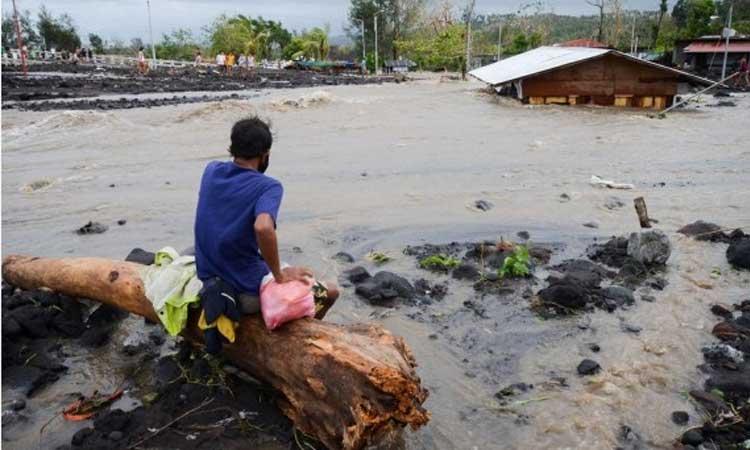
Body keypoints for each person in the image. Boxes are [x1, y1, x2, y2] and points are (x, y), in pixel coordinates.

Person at [194, 117, 339, 320]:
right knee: (331, 292)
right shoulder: (268, 187)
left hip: (209, 278)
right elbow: (263, 227)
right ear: (265, 155)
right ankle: (305, 332)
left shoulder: (211, 170)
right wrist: (279, 274)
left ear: (232, 148)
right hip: (244, 290)